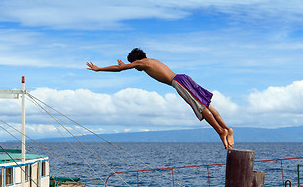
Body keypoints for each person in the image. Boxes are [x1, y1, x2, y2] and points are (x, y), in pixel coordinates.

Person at [86, 48, 234, 149]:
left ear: (136, 60)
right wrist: (127, 65)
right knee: (206, 105)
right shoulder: (150, 60)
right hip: (183, 78)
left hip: (178, 82)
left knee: (200, 108)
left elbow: (119, 69)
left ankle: (220, 131)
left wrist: (99, 69)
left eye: (134, 65)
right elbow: (129, 66)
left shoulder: (141, 62)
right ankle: (227, 129)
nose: (136, 69)